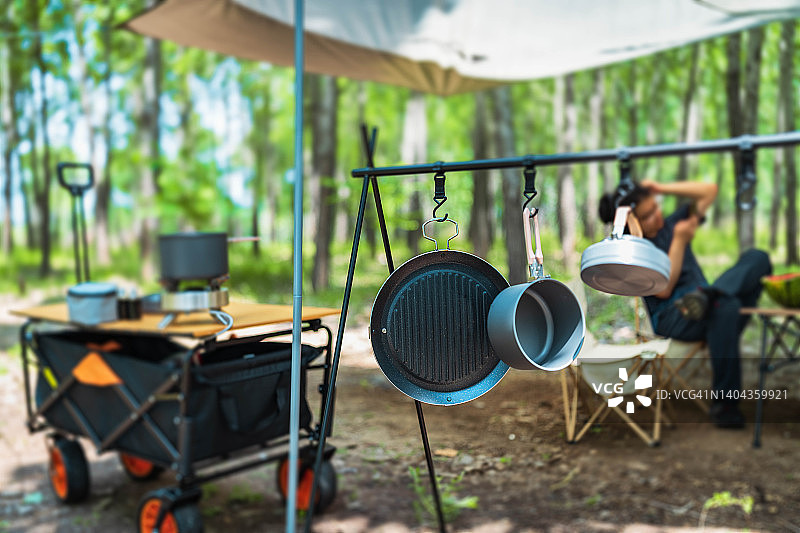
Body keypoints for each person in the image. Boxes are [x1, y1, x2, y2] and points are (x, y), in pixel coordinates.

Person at [598, 178, 772, 429]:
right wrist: (679, 241)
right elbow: (664, 290)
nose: (657, 217)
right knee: (726, 307)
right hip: (671, 316)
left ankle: (712, 294)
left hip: (706, 308)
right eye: (647, 216)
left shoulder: (671, 224)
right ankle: (725, 403)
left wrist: (660, 187)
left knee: (758, 258)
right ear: (631, 223)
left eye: (656, 207)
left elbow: (709, 191)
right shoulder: (635, 249)